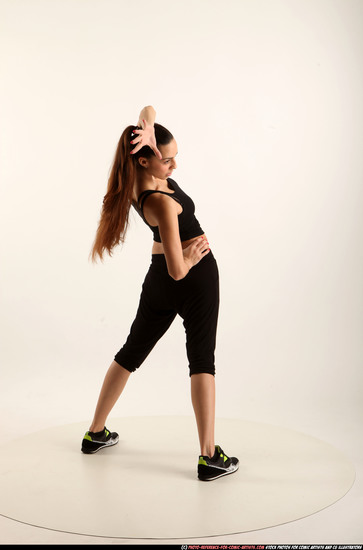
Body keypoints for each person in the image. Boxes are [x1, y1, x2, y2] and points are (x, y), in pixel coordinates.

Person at [81, 105, 239, 481]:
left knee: (130, 353)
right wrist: (189, 253)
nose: (174, 167)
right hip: (194, 279)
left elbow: (147, 108)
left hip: (157, 283)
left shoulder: (135, 182)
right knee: (202, 360)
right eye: (167, 161)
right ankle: (208, 457)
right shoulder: (163, 204)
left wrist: (147, 127)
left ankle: (95, 432)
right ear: (145, 161)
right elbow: (178, 269)